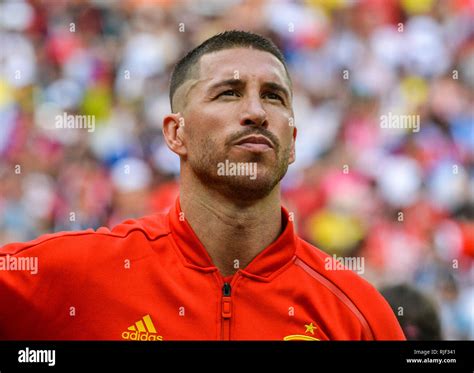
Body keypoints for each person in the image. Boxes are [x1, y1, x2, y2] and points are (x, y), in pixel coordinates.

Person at [0, 31, 404, 340]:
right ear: (177, 134)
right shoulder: (77, 273)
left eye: (274, 97)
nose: (256, 112)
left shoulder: (358, 312)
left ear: (293, 142)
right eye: (229, 93)